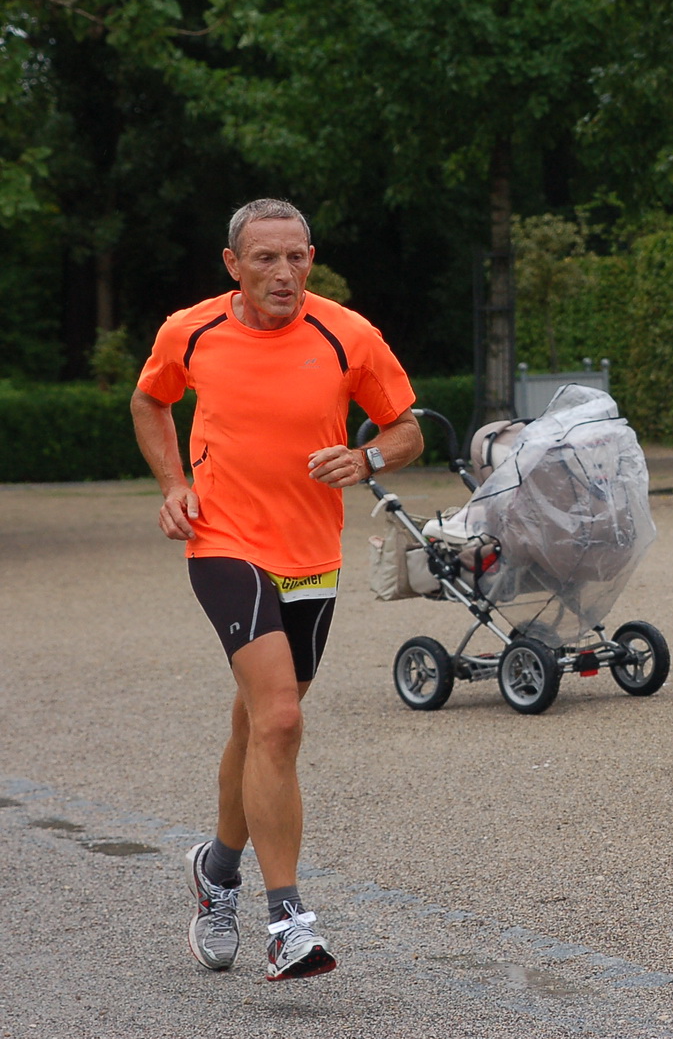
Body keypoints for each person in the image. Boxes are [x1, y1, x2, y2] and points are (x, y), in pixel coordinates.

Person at [131, 199, 423, 977]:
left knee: (259, 723)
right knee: (284, 718)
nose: (284, 273)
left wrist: (366, 462)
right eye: (265, 258)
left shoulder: (347, 333)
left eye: (297, 257)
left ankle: (216, 870)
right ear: (233, 264)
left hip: (309, 553)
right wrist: (173, 481)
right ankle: (287, 918)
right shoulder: (188, 330)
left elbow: (406, 427)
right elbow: (150, 398)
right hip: (222, 540)